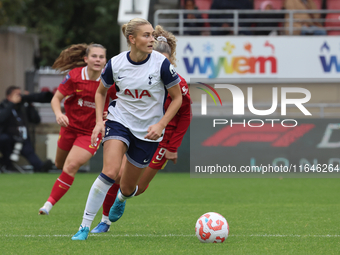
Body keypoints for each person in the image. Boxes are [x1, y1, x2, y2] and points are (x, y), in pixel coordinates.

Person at [71, 18, 182, 241]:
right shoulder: (116, 63)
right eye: (146, 35)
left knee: (129, 187)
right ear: (132, 39)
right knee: (110, 172)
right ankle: (84, 227)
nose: (152, 39)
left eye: (152, 35)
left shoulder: (161, 65)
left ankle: (121, 199)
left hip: (148, 132)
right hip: (119, 121)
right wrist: (99, 122)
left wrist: (161, 124)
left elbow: (177, 98)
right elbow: (101, 92)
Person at [38, 43, 117, 215]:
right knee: (60, 163)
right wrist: (59, 114)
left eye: (101, 57)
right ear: (86, 59)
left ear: (106, 60)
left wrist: (108, 116)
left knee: (71, 165)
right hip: (69, 128)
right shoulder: (74, 76)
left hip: (91, 133)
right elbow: (55, 99)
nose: (98, 60)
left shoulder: (110, 81)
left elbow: (120, 103)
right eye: (94, 56)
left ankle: (48, 204)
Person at [0, 86, 53, 173]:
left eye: (20, 94)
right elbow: (1, 118)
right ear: (9, 97)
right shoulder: (3, 106)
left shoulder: (23, 107)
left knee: (33, 158)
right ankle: (6, 164)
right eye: (17, 95)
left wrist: (30, 104)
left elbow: (36, 120)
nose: (20, 97)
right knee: (5, 142)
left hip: (23, 140)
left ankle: (41, 167)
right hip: (8, 140)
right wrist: (11, 104)